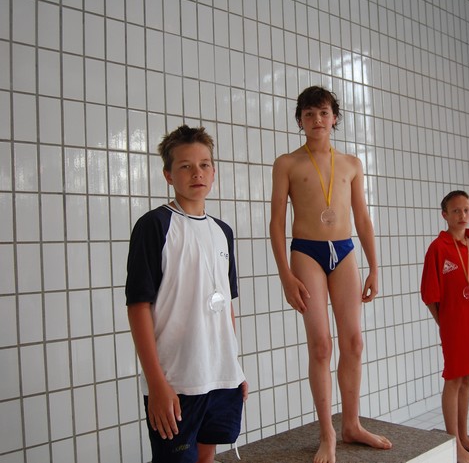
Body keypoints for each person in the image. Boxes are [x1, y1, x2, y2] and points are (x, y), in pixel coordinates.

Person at [269, 86, 392, 463]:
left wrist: (374, 267)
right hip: (306, 252)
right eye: (308, 114)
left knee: (353, 342)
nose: (316, 120)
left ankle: (352, 424)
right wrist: (286, 275)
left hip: (345, 250)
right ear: (299, 121)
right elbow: (276, 223)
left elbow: (363, 218)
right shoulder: (287, 163)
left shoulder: (351, 163)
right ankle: (328, 434)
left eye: (323, 113)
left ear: (334, 117)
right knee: (321, 344)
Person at [125, 125, 248, 463]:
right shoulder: (155, 226)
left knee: (207, 457)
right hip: (176, 382)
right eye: (185, 166)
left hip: (221, 377)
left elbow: (226, 306)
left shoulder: (223, 231)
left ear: (214, 172)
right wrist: (156, 384)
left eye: (205, 164)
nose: (197, 173)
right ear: (168, 175)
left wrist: (233, 368)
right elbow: (138, 307)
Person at [420, 190, 469, 463]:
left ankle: (463, 438)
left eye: (466, 210)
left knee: (466, 378)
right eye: (455, 211)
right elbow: (429, 294)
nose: (462, 215)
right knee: (453, 378)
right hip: (453, 324)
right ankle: (453, 445)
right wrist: (444, 325)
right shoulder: (438, 248)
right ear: (445, 215)